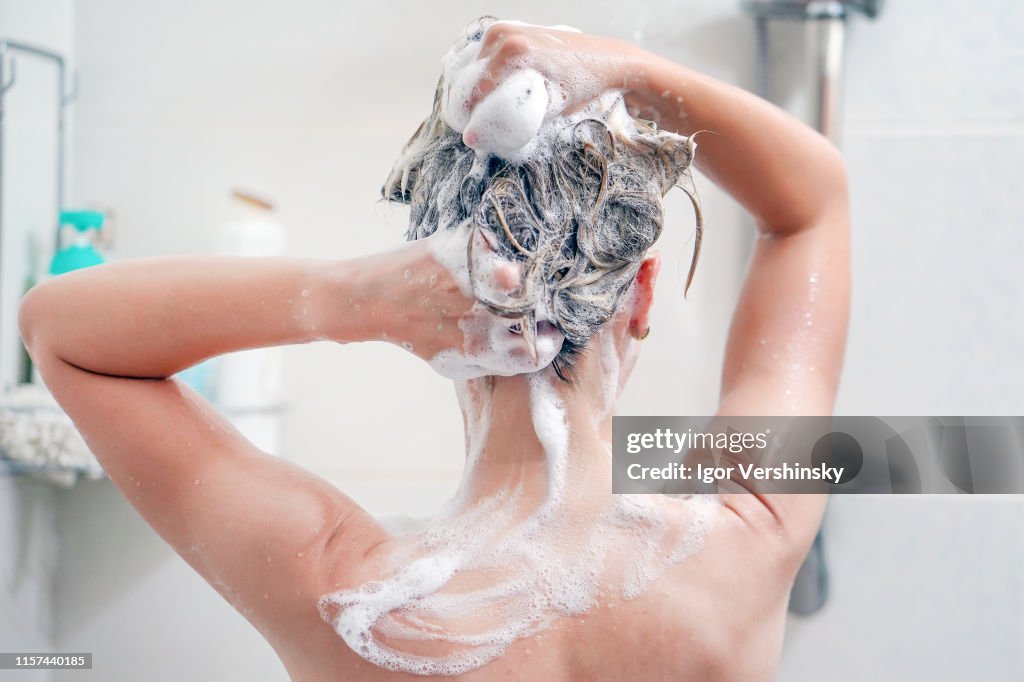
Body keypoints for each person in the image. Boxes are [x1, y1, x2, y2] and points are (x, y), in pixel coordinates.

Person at [18, 17, 849, 682]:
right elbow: (813, 203)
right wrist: (627, 68)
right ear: (641, 293)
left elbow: (61, 331)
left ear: (429, 281)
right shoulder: (752, 534)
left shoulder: (348, 598)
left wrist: (346, 297)